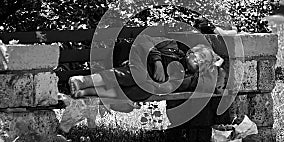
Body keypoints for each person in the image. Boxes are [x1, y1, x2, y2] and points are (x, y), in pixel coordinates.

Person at [68, 34, 225, 101]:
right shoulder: (172, 46)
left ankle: (86, 91)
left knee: (141, 90)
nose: (201, 62)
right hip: (137, 60)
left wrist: (218, 65)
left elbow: (171, 86)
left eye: (205, 64)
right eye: (201, 57)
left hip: (146, 82)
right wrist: (157, 63)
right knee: (137, 75)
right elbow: (143, 39)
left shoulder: (185, 77)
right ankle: (83, 81)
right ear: (191, 52)